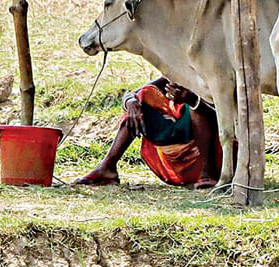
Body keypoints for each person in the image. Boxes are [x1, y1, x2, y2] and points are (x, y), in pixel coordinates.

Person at [75, 78, 225, 188]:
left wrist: (193, 100)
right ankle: (108, 167)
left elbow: (227, 115)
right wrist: (131, 103)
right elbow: (131, 95)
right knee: (143, 96)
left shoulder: (213, 74)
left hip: (210, 155)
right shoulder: (177, 72)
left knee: (196, 105)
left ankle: (208, 174)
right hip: (173, 155)